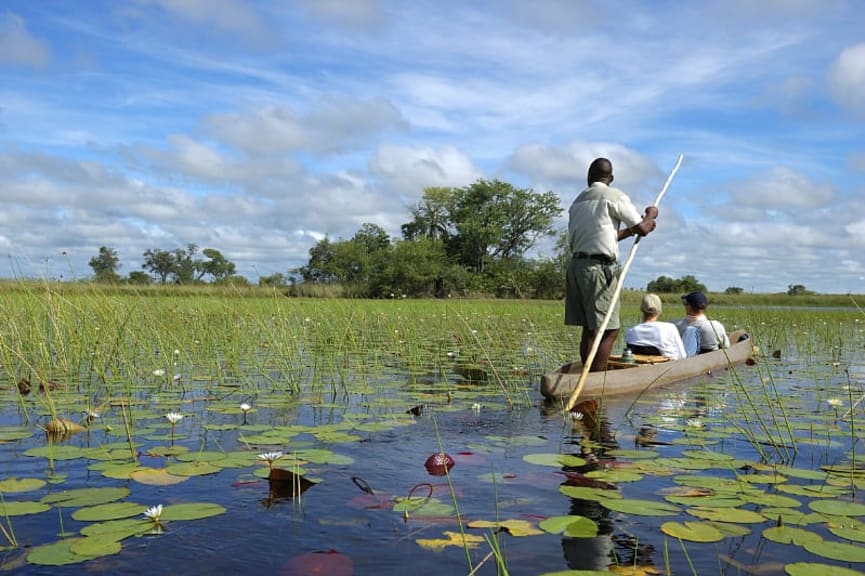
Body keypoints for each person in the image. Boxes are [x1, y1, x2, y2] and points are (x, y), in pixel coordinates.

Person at [565, 157, 658, 372]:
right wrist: (650, 215)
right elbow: (643, 228)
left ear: (589, 178)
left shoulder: (578, 201)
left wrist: (636, 228)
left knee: (590, 329)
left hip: (576, 267)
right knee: (608, 330)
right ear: (611, 178)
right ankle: (596, 379)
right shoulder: (613, 196)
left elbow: (607, 236)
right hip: (597, 269)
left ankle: (587, 376)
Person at [625, 293, 686, 359]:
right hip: (667, 366)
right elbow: (682, 356)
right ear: (659, 310)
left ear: (642, 309)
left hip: (641, 366)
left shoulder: (630, 331)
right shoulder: (670, 328)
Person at [673, 291, 730, 356]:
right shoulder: (716, 325)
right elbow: (726, 346)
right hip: (713, 362)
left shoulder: (675, 325)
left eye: (685, 304)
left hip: (686, 363)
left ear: (689, 307)